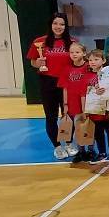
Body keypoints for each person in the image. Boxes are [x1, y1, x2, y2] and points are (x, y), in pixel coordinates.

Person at [27, 12, 77, 159]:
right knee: (51, 116)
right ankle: (57, 147)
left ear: (66, 26)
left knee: (69, 115)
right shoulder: (39, 42)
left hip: (68, 83)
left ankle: (69, 143)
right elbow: (33, 62)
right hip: (48, 82)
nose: (58, 27)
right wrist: (38, 63)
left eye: (62, 24)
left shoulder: (73, 42)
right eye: (55, 23)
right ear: (51, 25)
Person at [58, 42, 93, 163]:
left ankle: (91, 150)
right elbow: (65, 88)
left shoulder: (89, 67)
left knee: (89, 126)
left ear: (84, 53)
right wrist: (65, 104)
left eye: (77, 52)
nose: (74, 54)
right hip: (73, 102)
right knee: (78, 127)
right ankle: (80, 151)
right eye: (71, 52)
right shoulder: (67, 69)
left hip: (88, 102)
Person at [85, 49, 109, 163]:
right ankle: (102, 152)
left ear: (103, 60)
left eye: (96, 59)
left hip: (108, 108)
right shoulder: (87, 75)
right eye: (90, 60)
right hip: (94, 109)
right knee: (98, 131)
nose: (92, 62)